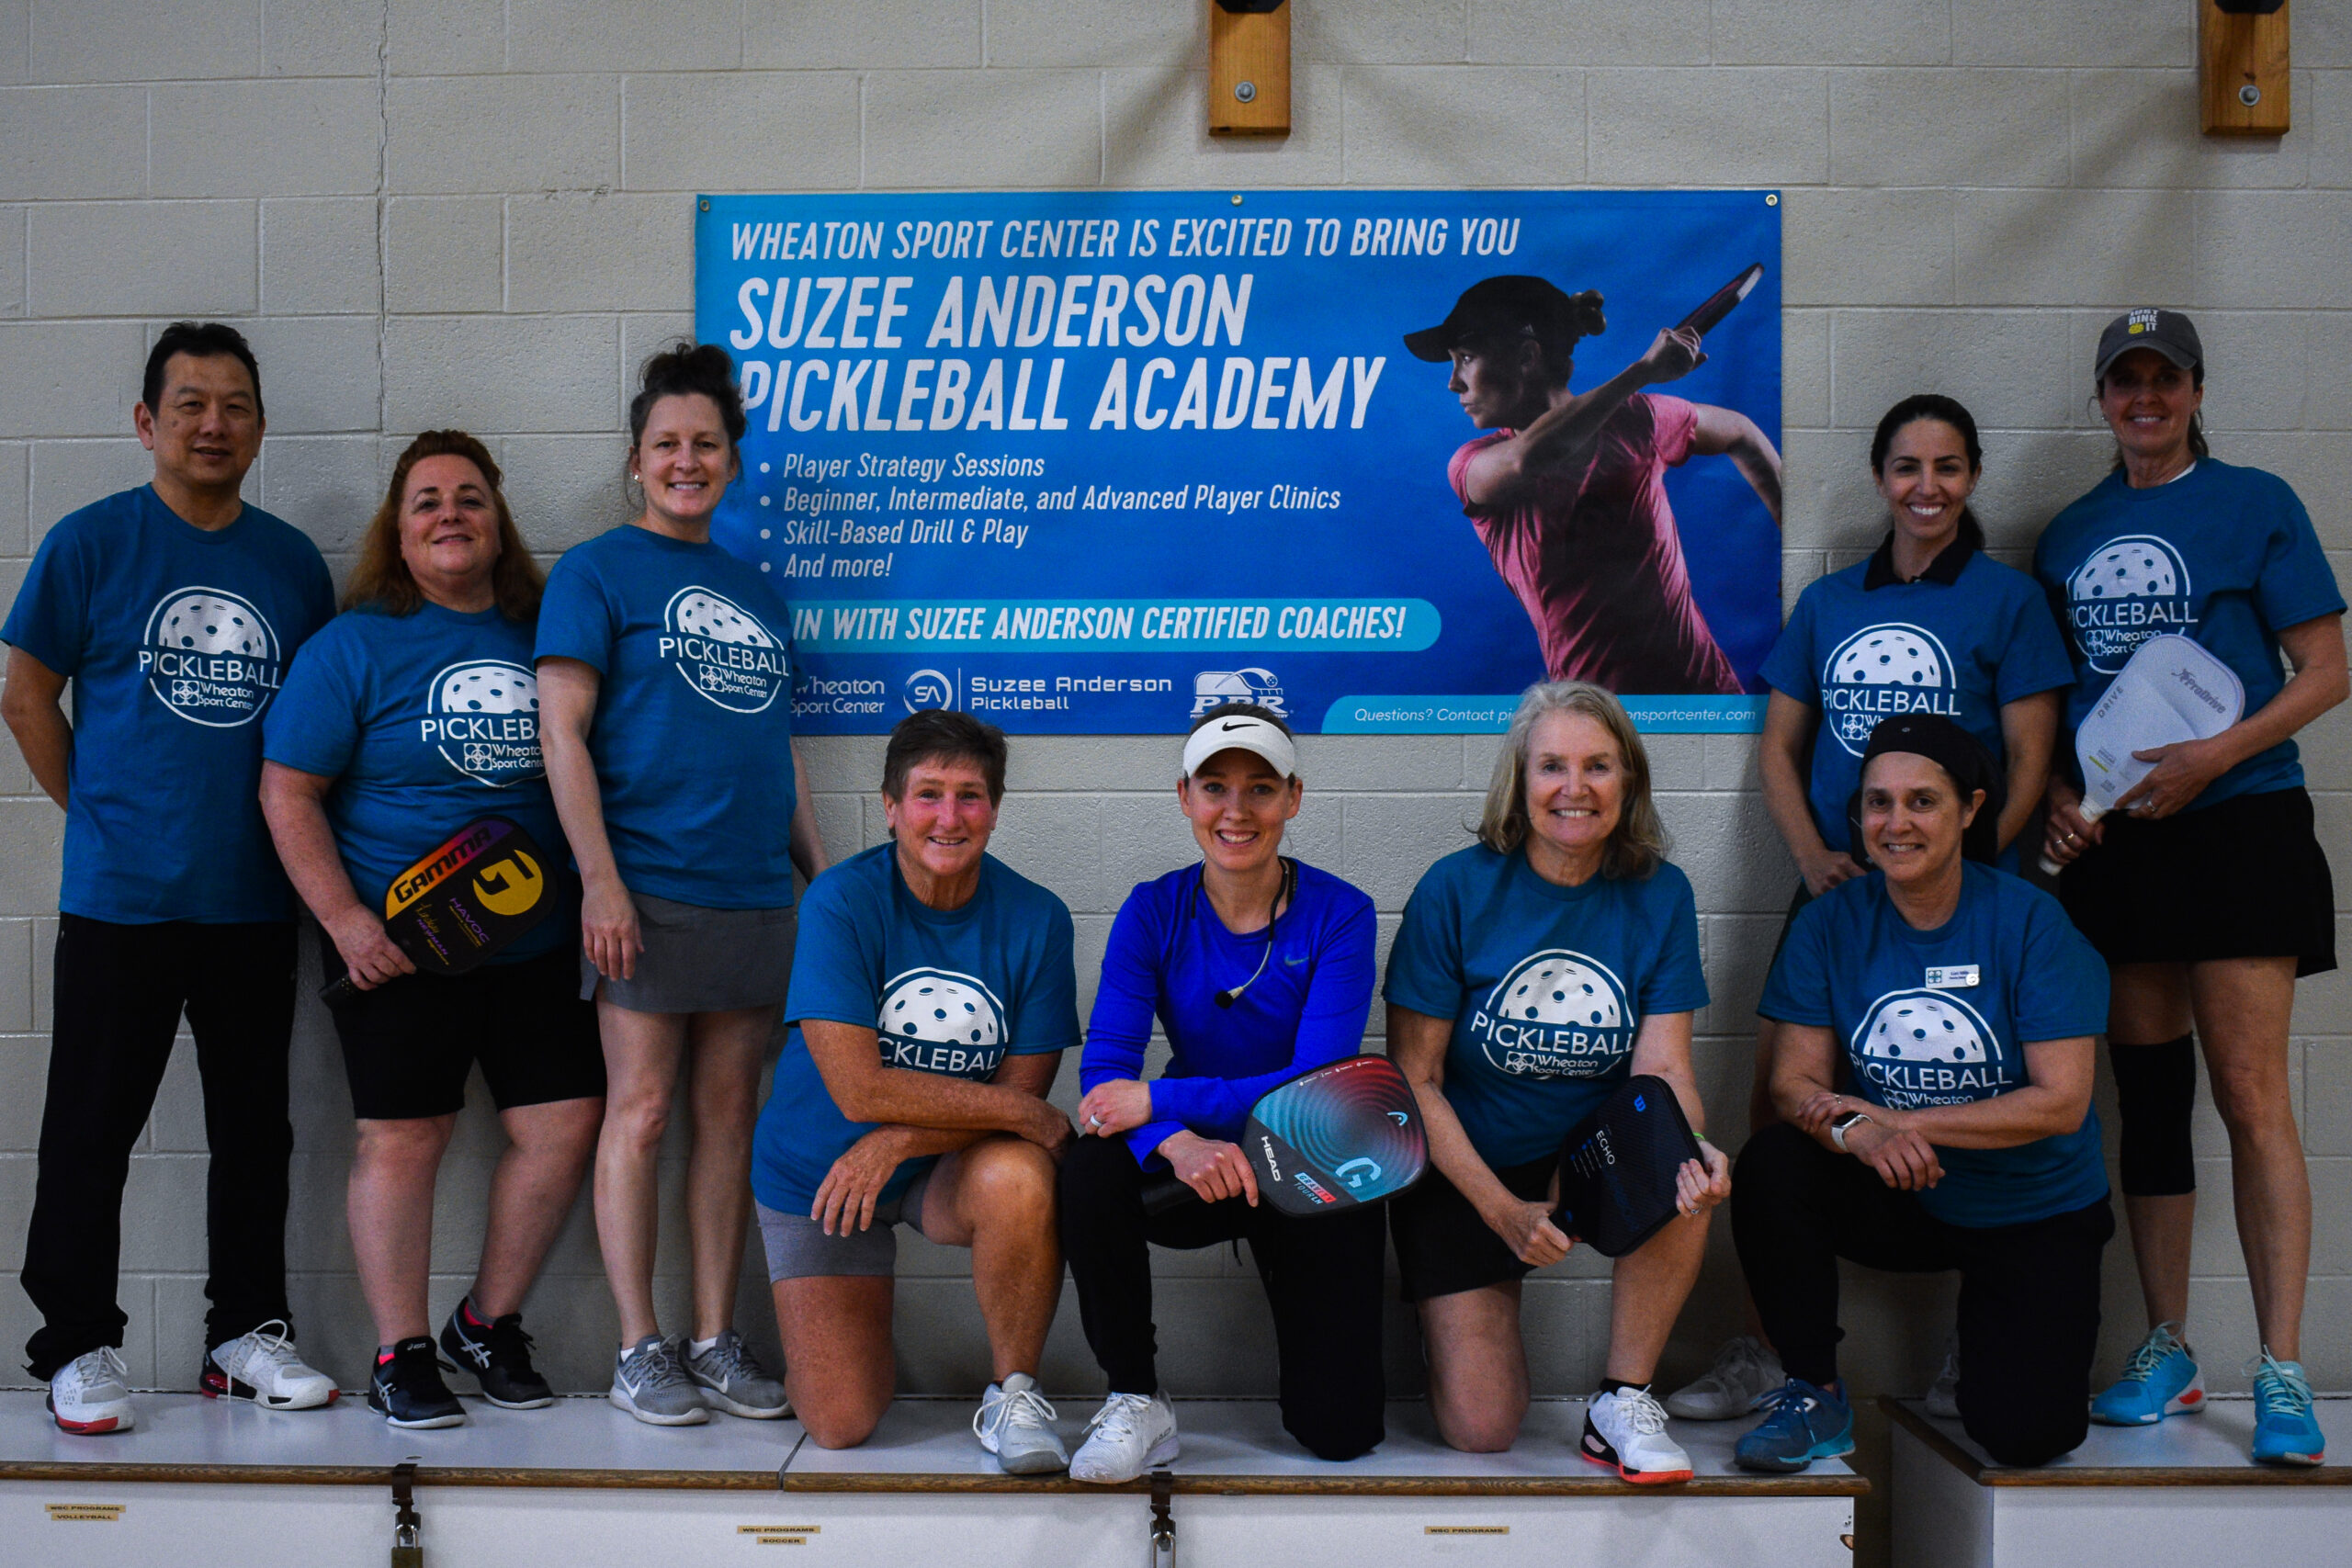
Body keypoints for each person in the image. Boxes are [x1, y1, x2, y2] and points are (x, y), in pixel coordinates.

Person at [1669, 394, 2073, 1423]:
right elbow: (1780, 749)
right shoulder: (1830, 603)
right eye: (1905, 467)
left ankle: (1973, 1344)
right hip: (1844, 896)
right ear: (1879, 477)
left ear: (1972, 476)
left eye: (1946, 466)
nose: (1925, 487)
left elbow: (2029, 758)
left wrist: (1971, 868)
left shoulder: (2006, 601)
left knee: (1980, 1095)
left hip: (1956, 889)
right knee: (1779, 1113)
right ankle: (1779, 1353)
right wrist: (1814, 859)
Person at [1, 323, 338, 1434]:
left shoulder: (290, 565)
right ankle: (79, 1344)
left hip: (251, 902)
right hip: (121, 903)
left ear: (257, 429)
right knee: (91, 1129)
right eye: (189, 403)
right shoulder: (89, 544)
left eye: (234, 405)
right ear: (148, 423)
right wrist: (98, 816)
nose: (212, 423)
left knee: (257, 1130)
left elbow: (320, 734)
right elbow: (24, 695)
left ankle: (242, 1335)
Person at [2036, 310, 2345, 1468]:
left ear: (2196, 390)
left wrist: (2215, 756)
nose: (2145, 398)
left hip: (2240, 829)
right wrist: (2067, 794)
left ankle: (2279, 1365)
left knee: (2252, 1097)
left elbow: (2326, 671)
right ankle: (2168, 1349)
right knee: (2149, 1100)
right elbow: (2061, 703)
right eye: (2126, 381)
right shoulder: (2070, 532)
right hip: (2124, 852)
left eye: (2164, 379)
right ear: (2102, 398)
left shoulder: (2256, 501)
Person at [260, 432, 604, 1428]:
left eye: (469, 499)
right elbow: (287, 792)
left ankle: (485, 1325)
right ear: (397, 534)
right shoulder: (356, 646)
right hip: (398, 945)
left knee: (564, 1123)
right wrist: (346, 923)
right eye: (425, 503)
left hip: (534, 945)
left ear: (499, 525)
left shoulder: (550, 637)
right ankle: (400, 1351)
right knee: (404, 1137)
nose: (449, 514)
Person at [537, 343, 826, 1426]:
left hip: (755, 896)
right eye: (667, 444)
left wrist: (824, 880)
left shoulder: (756, 590)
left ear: (732, 459)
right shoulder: (596, 572)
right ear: (636, 459)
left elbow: (779, 749)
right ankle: (636, 1347)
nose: (686, 459)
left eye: (705, 443)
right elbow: (558, 734)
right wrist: (599, 883)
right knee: (644, 1112)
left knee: (727, 1121)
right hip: (645, 894)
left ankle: (711, 1338)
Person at [1732, 715, 2113, 1472]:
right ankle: (1815, 1390)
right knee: (1773, 1162)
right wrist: (1859, 1134)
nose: (1895, 822)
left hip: (2032, 1205)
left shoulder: (2032, 921)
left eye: (1921, 801)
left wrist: (1899, 1118)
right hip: (1903, 1191)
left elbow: (2060, 1101)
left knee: (2027, 1437)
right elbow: (1793, 1082)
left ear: (1971, 808)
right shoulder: (1830, 920)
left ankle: (1985, 1341)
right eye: (1878, 803)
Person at [1383, 681, 1730, 1483]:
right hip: (1470, 1162)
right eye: (1553, 766)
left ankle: (1623, 1399)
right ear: (1520, 780)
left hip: (1589, 1148)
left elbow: (1665, 1069)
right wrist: (1501, 1211)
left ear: (1629, 780)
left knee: (1686, 1165)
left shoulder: (1661, 892)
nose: (1575, 788)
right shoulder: (1455, 888)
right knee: (1482, 1428)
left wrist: (1699, 1147)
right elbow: (1414, 1076)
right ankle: (1451, 1322)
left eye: (1598, 766)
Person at [1060, 706, 1385, 1483]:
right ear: (1185, 797)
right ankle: (1137, 1397)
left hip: (1308, 1152)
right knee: (1086, 1167)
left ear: (1294, 799)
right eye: (1215, 787)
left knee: (1338, 1432)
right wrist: (1172, 1139)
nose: (1236, 811)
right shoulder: (1152, 909)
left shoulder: (1342, 912)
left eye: (1260, 788)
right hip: (1198, 1161)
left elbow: (1314, 1086)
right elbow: (1106, 1075)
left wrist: (1169, 1104)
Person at [749, 710, 1079, 1472]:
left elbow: (1022, 1095)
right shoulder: (840, 900)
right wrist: (1023, 1112)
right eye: (928, 794)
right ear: (891, 805)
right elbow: (860, 1089)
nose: (949, 816)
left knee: (1021, 1176)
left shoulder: (1037, 917)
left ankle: (1014, 1394)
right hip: (820, 1173)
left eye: (970, 795)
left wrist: (904, 1138)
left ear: (994, 809)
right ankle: (821, 1342)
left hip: (939, 1167)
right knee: (839, 1421)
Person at [1405, 276, 1782, 694]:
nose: (1454, 382)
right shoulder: (1472, 464)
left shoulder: (1641, 421)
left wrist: (1793, 536)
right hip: (1596, 721)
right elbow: (1528, 459)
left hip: (1707, 699)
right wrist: (1642, 372)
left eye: (1467, 358)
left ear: (1527, 355)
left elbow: (1741, 432)